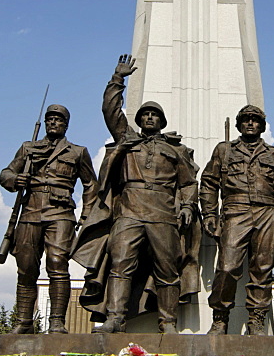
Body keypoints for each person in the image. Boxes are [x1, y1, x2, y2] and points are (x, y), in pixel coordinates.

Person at [74, 55, 198, 334]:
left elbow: (189, 183)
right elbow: (111, 112)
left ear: (162, 121)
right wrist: (118, 79)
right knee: (120, 266)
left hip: (163, 213)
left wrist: (188, 206)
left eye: (154, 114)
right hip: (128, 212)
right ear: (139, 120)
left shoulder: (176, 151)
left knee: (167, 270)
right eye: (145, 114)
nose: (150, 117)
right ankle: (116, 317)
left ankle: (168, 322)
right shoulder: (127, 140)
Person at [200, 105, 274, 335]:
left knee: (263, 269)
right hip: (235, 210)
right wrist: (209, 214)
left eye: (255, 120)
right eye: (245, 119)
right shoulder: (224, 150)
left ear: (262, 126)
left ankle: (256, 319)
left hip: (265, 211)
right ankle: (220, 318)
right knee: (227, 267)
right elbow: (209, 182)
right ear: (239, 124)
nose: (250, 123)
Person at [0, 104, 98, 334]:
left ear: (66, 124)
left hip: (60, 213)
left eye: (58, 120)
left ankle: (56, 321)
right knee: (26, 269)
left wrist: (86, 215)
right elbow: (5, 173)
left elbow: (91, 185)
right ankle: (23, 321)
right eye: (50, 119)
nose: (53, 123)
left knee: (57, 265)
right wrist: (16, 180)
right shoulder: (28, 148)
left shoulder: (77, 152)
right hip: (31, 212)